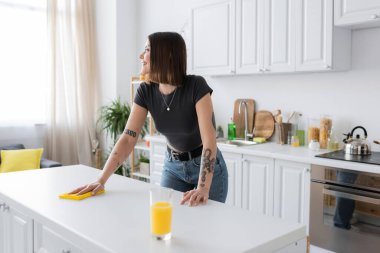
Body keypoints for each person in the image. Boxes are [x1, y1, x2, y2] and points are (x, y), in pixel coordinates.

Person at [70, 32, 228, 206]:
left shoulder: (196, 86)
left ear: (165, 55)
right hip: (173, 167)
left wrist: (203, 188)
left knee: (205, 224)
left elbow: (209, 139)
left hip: (205, 166)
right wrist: (101, 180)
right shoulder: (145, 91)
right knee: (168, 219)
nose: (140, 56)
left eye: (146, 49)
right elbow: (128, 138)